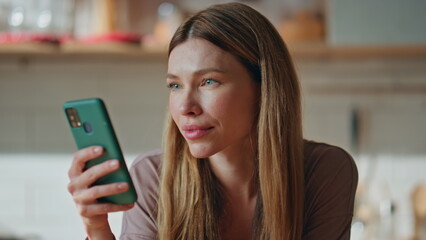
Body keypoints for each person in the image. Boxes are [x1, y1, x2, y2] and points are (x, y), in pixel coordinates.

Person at [67, 3, 358, 240]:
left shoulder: (325, 171)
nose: (185, 107)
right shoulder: (153, 177)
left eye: (208, 81)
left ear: (264, 87)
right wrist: (97, 229)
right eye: (175, 85)